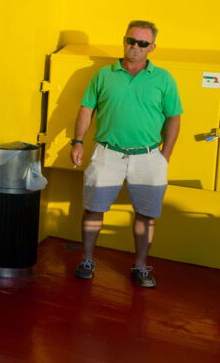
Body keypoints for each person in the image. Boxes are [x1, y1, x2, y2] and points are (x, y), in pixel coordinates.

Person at [69, 20, 182, 288]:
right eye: (131, 40)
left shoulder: (164, 78)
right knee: (94, 209)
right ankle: (87, 260)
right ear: (124, 40)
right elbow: (87, 109)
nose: (135, 46)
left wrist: (164, 156)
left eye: (143, 43)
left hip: (148, 158)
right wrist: (77, 142)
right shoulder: (103, 74)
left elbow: (174, 118)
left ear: (152, 47)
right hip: (107, 153)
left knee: (146, 215)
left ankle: (140, 266)